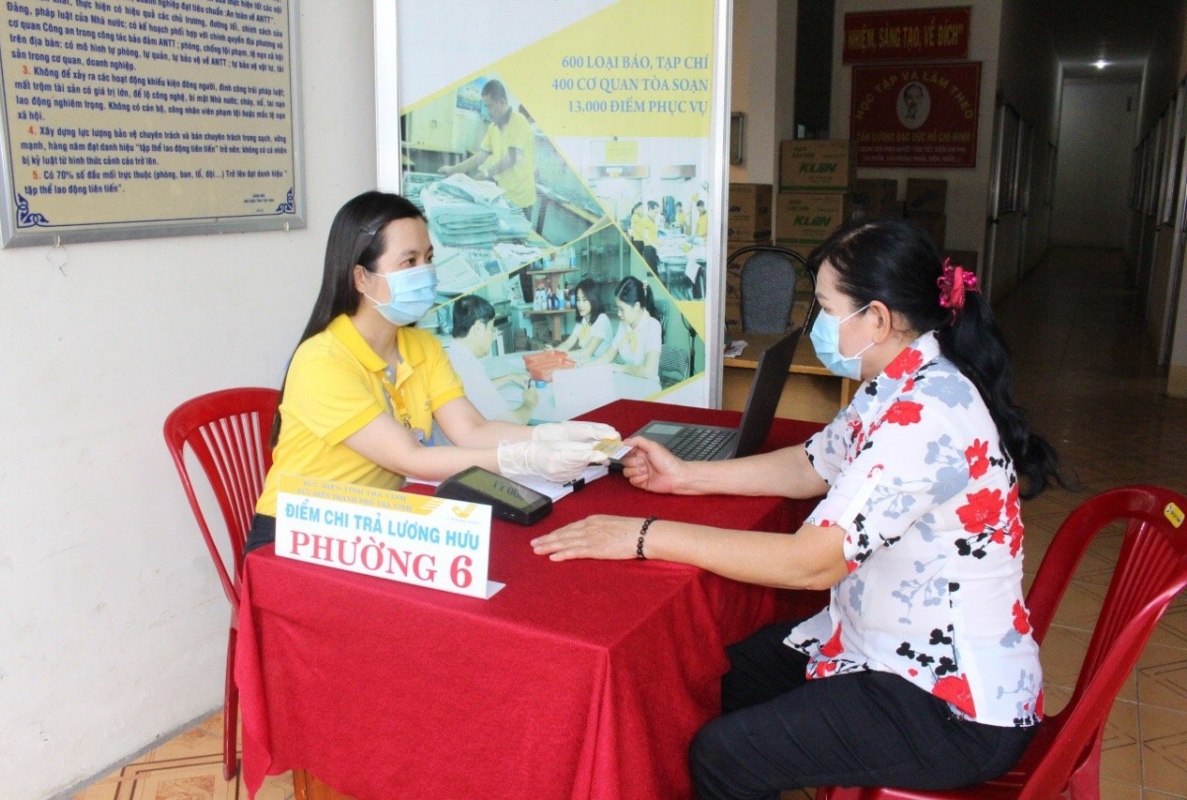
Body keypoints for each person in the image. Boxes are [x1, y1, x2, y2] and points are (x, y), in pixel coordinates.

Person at [532, 218, 1068, 797]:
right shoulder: (899, 380)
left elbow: (811, 563)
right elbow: (810, 464)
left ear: (878, 319)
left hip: (948, 702)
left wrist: (644, 535)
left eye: (826, 308)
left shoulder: (925, 414)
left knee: (724, 756)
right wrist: (685, 477)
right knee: (711, 680)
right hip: (876, 643)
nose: (816, 323)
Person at [245, 191, 616, 551]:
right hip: (297, 535)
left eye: (428, 257)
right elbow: (410, 458)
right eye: (409, 262)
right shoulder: (322, 362)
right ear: (361, 278)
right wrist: (523, 458)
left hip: (371, 527)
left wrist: (550, 434)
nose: (426, 272)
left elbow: (471, 430)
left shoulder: (422, 347)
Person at [438, 79, 537, 217]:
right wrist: (453, 170)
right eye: (485, 106)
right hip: (503, 194)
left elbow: (512, 158)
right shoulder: (493, 127)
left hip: (520, 200)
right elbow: (481, 155)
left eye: (489, 106)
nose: (487, 111)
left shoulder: (519, 121)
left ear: (502, 102)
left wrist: (485, 174)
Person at [447, 294, 538, 424]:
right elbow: (512, 422)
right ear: (478, 328)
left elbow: (478, 389)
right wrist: (529, 404)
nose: (492, 336)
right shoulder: (468, 368)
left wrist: (509, 377)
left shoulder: (454, 354)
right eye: (491, 329)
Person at [586, 276, 662, 382]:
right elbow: (609, 355)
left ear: (636, 306)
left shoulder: (653, 326)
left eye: (622, 309)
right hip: (629, 380)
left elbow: (649, 372)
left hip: (647, 385)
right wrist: (589, 366)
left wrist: (620, 368)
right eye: (617, 308)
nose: (618, 313)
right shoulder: (624, 324)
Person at [552, 278, 611, 358]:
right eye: (578, 300)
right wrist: (554, 352)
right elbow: (568, 344)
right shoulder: (584, 319)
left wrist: (561, 355)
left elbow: (587, 352)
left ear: (593, 300)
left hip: (603, 364)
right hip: (589, 362)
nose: (580, 304)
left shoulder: (602, 319)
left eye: (584, 300)